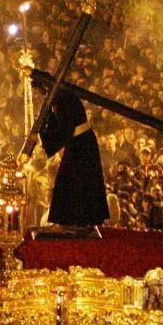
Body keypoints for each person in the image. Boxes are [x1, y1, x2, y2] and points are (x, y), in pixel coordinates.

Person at [34, 84, 109, 236]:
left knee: (68, 180)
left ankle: (74, 222)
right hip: (78, 142)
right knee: (73, 182)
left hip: (81, 142)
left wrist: (45, 140)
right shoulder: (57, 97)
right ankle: (73, 221)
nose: (35, 95)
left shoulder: (61, 99)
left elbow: (65, 129)